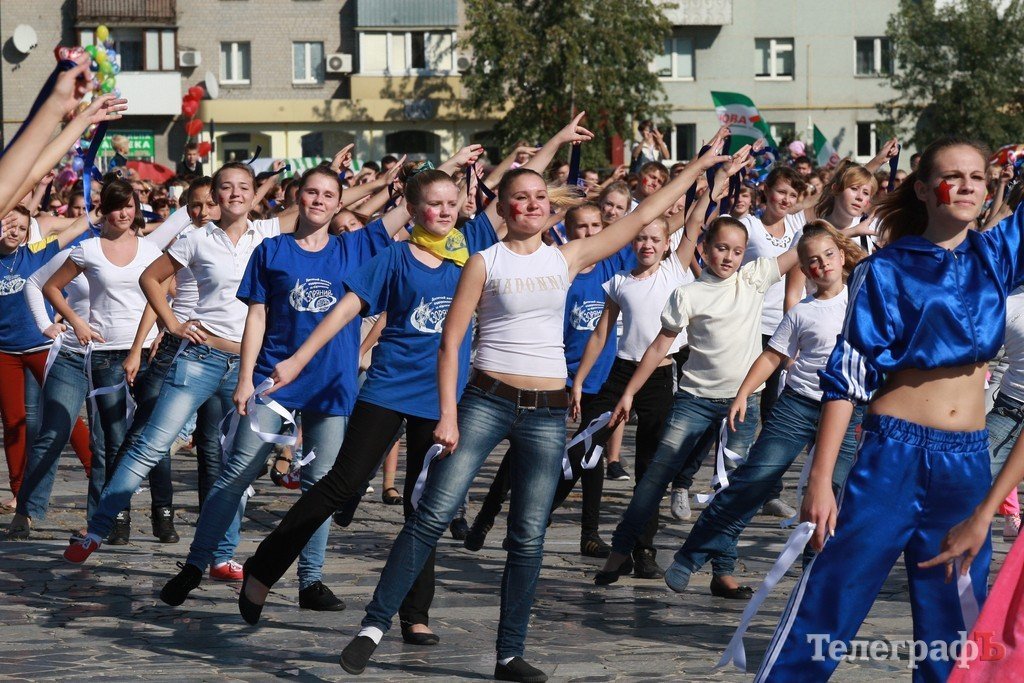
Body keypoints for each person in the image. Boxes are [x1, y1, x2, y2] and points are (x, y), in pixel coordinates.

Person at [335, 125, 732, 682]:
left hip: (547, 411)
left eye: (540, 198)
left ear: (550, 209)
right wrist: (447, 412)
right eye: (521, 197)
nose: (531, 205)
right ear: (504, 206)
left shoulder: (566, 258)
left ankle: (508, 653)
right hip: (486, 400)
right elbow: (451, 343)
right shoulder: (484, 261)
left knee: (529, 535)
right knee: (433, 512)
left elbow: (643, 216)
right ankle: (374, 625)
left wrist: (699, 169)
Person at [755, 137, 1020, 683]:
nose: (968, 185)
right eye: (954, 176)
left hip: (967, 463)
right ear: (923, 189)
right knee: (833, 594)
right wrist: (821, 480)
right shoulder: (887, 270)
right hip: (893, 454)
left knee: (955, 621)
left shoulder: (998, 256)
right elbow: (846, 381)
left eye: (977, 176)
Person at [594, 210, 801, 589]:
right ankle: (620, 552)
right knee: (655, 476)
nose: (728, 257)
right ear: (703, 249)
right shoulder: (687, 293)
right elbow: (659, 346)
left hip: (744, 400)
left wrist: (849, 227)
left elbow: (803, 246)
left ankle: (723, 570)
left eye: (737, 251)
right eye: (721, 248)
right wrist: (629, 391)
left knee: (733, 487)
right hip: (693, 400)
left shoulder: (755, 278)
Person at [666, 221, 866, 597]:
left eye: (828, 255)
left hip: (848, 410)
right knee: (752, 481)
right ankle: (692, 553)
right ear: (804, 270)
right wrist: (743, 393)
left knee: (833, 492)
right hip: (799, 406)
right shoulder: (802, 312)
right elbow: (773, 356)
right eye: (812, 261)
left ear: (841, 257)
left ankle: (814, 578)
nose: (822, 265)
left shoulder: (864, 298)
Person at [0, 206, 93, 510]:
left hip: (41, 346)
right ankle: (19, 491)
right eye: (10, 225)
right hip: (5, 352)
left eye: (22, 228)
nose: (15, 232)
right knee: (14, 422)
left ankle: (98, 475)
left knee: (65, 413)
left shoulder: (35, 253)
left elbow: (74, 230)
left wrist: (99, 212)